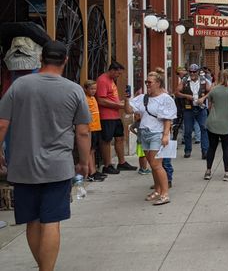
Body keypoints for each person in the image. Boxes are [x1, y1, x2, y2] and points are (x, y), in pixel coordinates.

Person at [0, 41, 91, 271]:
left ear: (41, 59)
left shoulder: (19, 86)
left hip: (22, 166)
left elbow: (2, 125)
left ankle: (43, 266)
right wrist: (83, 161)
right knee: (51, 220)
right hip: (57, 166)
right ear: (66, 60)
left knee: (32, 220)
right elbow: (83, 131)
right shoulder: (73, 90)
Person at [128, 71, 176, 206]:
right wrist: (126, 99)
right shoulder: (143, 98)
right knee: (152, 165)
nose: (147, 85)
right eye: (146, 82)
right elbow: (129, 110)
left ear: (158, 83)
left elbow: (168, 118)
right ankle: (157, 189)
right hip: (144, 133)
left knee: (156, 164)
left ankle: (165, 193)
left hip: (157, 133)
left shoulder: (166, 99)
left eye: (150, 82)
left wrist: (166, 135)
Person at [199, 69, 228, 181]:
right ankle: (226, 173)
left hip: (212, 122)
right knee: (226, 148)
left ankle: (208, 171)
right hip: (227, 123)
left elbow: (210, 106)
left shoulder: (214, 91)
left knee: (211, 147)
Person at [96, 61, 136, 174]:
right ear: (112, 70)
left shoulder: (111, 80)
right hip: (106, 116)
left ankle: (122, 162)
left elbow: (111, 97)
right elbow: (101, 100)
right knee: (107, 140)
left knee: (119, 138)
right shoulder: (103, 80)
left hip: (115, 115)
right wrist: (119, 105)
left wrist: (121, 103)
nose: (118, 76)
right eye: (117, 74)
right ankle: (107, 164)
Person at [176, 64, 209, 159]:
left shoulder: (204, 80)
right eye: (190, 71)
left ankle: (205, 151)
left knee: (204, 129)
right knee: (188, 131)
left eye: (194, 71)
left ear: (198, 72)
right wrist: (186, 96)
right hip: (188, 108)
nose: (192, 73)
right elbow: (177, 92)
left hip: (201, 108)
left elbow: (211, 91)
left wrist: (203, 98)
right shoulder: (184, 81)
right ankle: (187, 150)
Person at [83, 80, 106, 182]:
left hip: (96, 127)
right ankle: (91, 172)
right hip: (90, 128)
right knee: (89, 150)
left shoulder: (93, 98)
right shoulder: (85, 99)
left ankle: (94, 170)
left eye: (95, 89)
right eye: (91, 89)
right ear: (86, 89)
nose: (93, 91)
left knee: (93, 150)